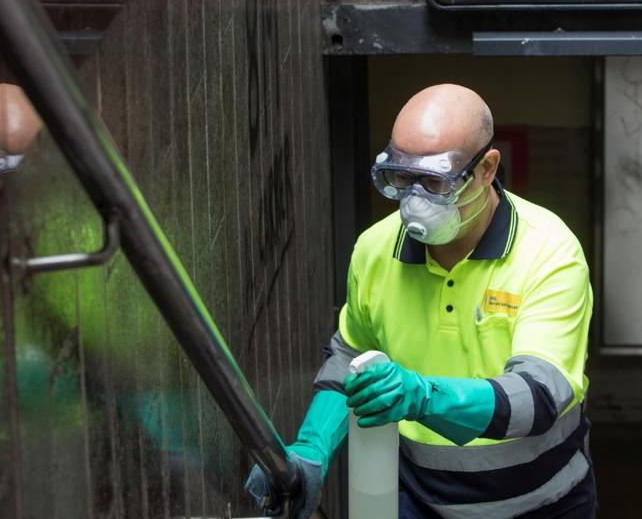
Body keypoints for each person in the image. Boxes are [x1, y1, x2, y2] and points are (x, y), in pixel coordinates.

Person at [246, 84, 596, 518]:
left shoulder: (548, 252)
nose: (414, 201)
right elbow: (351, 356)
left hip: (544, 504)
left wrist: (423, 396)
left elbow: (539, 396)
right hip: (422, 503)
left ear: (486, 169)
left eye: (434, 181)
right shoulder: (375, 250)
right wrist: (312, 449)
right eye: (401, 179)